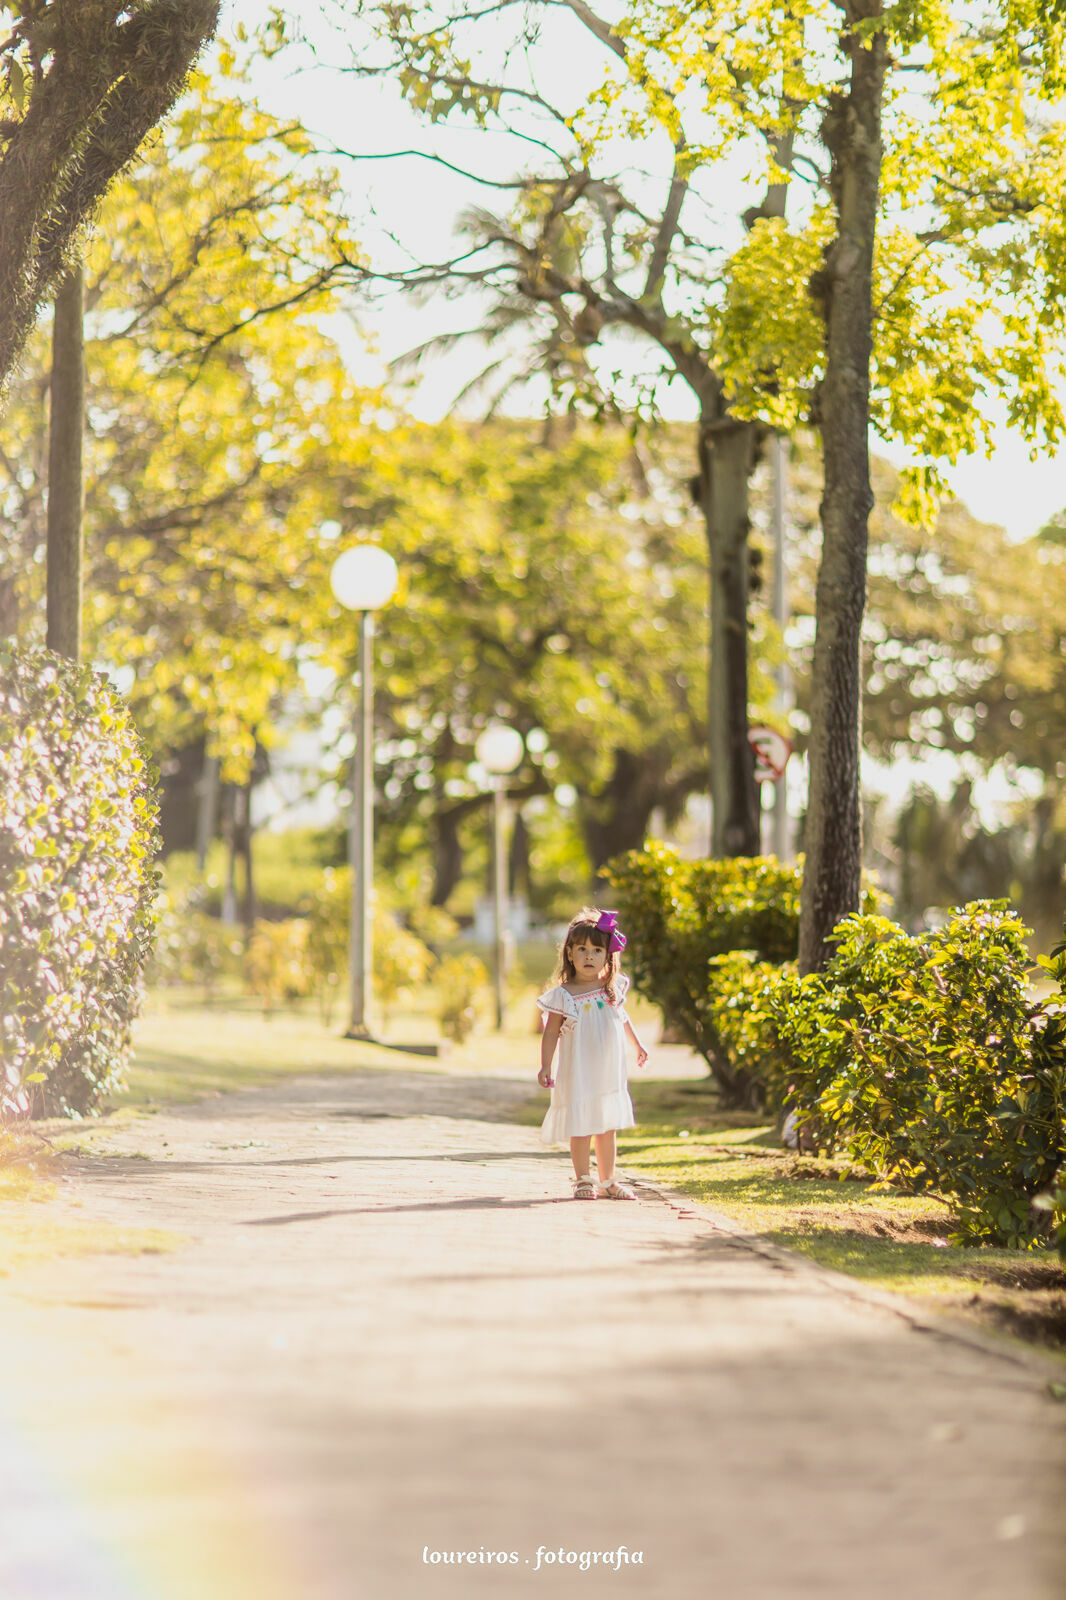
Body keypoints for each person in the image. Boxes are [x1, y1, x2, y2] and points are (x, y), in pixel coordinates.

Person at [536, 908, 648, 1200]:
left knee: (607, 1124)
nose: (589, 956)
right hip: (579, 1071)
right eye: (582, 949)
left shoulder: (610, 989)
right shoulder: (564, 995)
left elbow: (623, 1018)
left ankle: (609, 1180)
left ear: (607, 956)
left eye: (597, 950)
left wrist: (638, 1045)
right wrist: (545, 1065)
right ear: (570, 953)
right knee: (582, 1122)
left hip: (607, 1069)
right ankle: (583, 1179)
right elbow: (550, 1033)